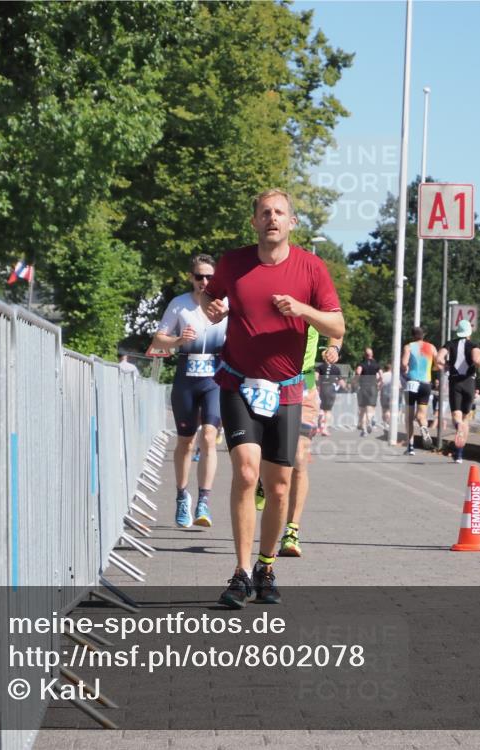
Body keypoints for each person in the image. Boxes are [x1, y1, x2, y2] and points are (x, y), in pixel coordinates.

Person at [202, 189, 344, 608]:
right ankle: (241, 572)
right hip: (237, 384)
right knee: (247, 474)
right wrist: (214, 309)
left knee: (279, 487)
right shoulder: (234, 263)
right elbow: (214, 297)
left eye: (279, 213)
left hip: (286, 389)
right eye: (264, 213)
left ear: (292, 223)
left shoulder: (312, 268)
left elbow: (337, 324)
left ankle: (266, 566)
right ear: (254, 222)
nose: (272, 219)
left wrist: (302, 310)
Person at [149, 254, 228, 529]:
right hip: (186, 380)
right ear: (190, 278)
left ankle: (204, 500)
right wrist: (179, 340)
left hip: (214, 381)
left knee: (209, 436)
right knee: (185, 442)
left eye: (209, 277)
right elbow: (159, 338)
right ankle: (182, 495)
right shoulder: (179, 305)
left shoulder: (224, 305)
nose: (204, 282)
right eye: (199, 276)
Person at [280, 326, 343, 558]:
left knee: (299, 458)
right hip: (269, 383)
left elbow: (336, 328)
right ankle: (262, 480)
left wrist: (334, 347)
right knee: (270, 460)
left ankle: (291, 531)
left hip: (304, 384)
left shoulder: (313, 299)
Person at [437, 319, 480, 463]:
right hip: (469, 383)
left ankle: (457, 427)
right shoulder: (474, 345)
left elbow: (438, 358)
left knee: (457, 417)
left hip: (455, 382)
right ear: (469, 332)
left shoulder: (450, 344)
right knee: (465, 419)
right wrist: (479, 365)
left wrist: (446, 366)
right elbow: (477, 360)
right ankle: (459, 454)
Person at [401, 326, 437, 455]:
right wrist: (432, 368)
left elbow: (404, 363)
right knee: (421, 415)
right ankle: (424, 428)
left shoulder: (408, 347)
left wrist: (405, 369)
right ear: (424, 335)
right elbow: (438, 363)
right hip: (426, 384)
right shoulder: (431, 347)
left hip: (412, 383)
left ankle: (410, 447)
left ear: (412, 335)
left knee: (409, 417)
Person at [354, 347, 382, 436]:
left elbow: (358, 372)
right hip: (373, 387)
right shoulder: (376, 364)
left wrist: (356, 381)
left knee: (362, 409)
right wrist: (379, 382)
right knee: (371, 407)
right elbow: (381, 375)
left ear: (364, 355)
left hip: (363, 387)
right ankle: (370, 421)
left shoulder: (361, 364)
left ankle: (364, 430)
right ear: (372, 354)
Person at [315, 357, 343, 435]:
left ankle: (318, 427)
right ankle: (324, 428)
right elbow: (341, 382)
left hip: (322, 388)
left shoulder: (319, 367)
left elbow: (315, 377)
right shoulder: (336, 368)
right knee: (328, 410)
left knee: (320, 408)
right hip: (331, 389)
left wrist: (317, 386)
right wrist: (345, 388)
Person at [379, 363, 393, 432]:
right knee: (390, 410)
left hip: (383, 394)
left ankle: (385, 424)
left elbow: (379, 384)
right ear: (391, 369)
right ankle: (389, 423)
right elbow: (399, 386)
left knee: (384, 410)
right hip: (392, 394)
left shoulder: (383, 375)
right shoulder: (394, 375)